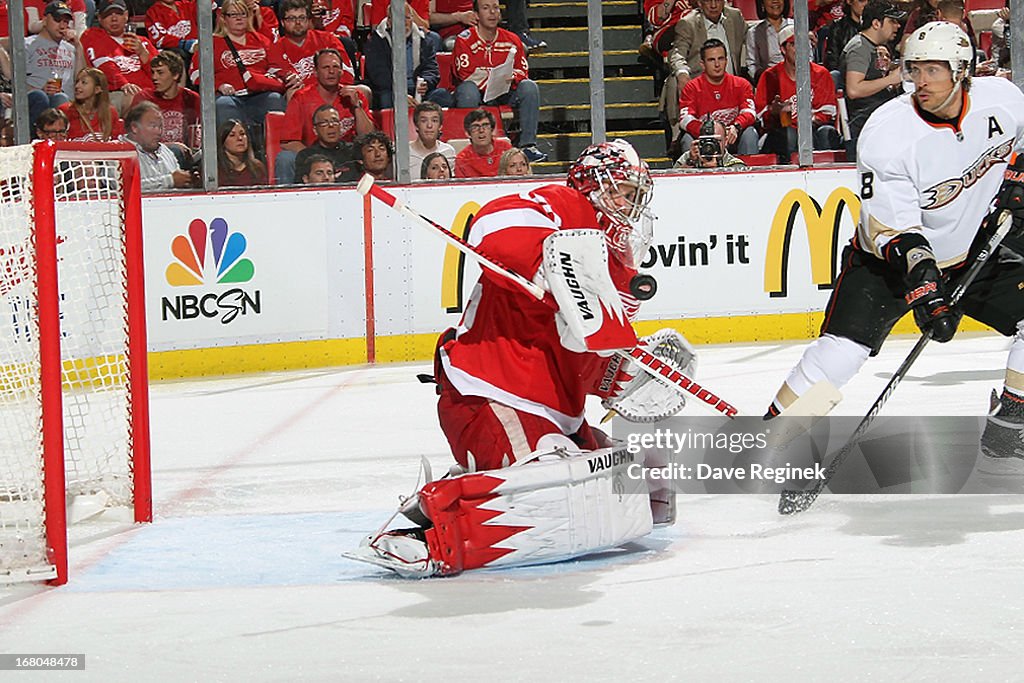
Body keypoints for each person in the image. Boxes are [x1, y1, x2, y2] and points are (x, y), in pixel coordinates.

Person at [350, 140, 691, 578]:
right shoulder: (568, 208)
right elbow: (492, 224)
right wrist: (544, 267)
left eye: (636, 196)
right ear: (593, 187)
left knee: (641, 488)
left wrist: (625, 375)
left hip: (556, 414)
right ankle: (426, 536)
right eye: (624, 192)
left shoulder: (619, 273)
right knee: (555, 493)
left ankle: (469, 481)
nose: (631, 206)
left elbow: (585, 358)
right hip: (492, 393)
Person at [762, 23, 1024, 472]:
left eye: (934, 70)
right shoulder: (888, 132)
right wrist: (924, 287)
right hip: (888, 262)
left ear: (963, 71)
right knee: (843, 350)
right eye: (914, 69)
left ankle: (1009, 425)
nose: (920, 81)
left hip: (971, 251)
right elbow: (893, 229)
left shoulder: (1004, 100)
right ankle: (770, 440)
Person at [452, 0, 546, 163]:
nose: (492, 12)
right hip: (477, 94)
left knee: (529, 87)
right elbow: (465, 74)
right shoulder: (464, 40)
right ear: (476, 15)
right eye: (486, 8)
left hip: (505, 91)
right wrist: (493, 77)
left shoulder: (512, 39)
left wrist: (511, 78)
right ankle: (471, 146)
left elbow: (522, 70)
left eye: (495, 8)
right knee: (468, 90)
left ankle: (528, 146)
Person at [189, 0, 287, 150]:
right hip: (229, 97)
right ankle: (232, 159)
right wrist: (218, 85)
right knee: (224, 105)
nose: (239, 18)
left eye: (242, 13)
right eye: (233, 14)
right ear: (223, 18)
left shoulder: (261, 40)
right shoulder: (211, 43)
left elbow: (277, 67)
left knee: (275, 100)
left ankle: (276, 153)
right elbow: (196, 74)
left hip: (259, 94)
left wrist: (268, 79)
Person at [275, 48, 374, 184]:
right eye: (326, 67)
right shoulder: (301, 98)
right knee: (285, 158)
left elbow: (368, 138)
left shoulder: (354, 96)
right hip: (313, 155)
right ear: (315, 72)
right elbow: (289, 142)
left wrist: (357, 106)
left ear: (341, 71)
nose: (331, 71)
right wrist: (316, 158)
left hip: (347, 156)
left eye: (335, 67)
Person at [662, 0, 747, 147]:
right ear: (700, 3)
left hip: (730, 86)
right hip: (701, 88)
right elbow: (677, 54)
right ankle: (677, 134)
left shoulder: (735, 17)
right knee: (675, 79)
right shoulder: (688, 23)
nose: (713, 5)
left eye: (717, 0)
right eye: (708, 1)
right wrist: (682, 72)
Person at [755, 25, 841, 162]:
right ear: (783, 49)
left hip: (812, 130)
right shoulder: (770, 76)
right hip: (780, 133)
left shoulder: (821, 74)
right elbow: (760, 116)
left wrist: (805, 122)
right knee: (788, 134)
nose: (801, 49)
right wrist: (774, 112)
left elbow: (828, 112)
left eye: (804, 43)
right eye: (794, 44)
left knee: (826, 133)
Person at [840, 0, 904, 160]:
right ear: (876, 23)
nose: (897, 26)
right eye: (892, 21)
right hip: (865, 123)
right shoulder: (859, 48)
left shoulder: (874, 47)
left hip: (881, 119)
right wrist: (890, 79)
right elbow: (854, 89)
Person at [678, 39, 759, 157]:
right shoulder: (692, 87)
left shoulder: (742, 84)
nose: (717, 64)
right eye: (711, 60)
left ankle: (747, 173)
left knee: (750, 133)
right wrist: (709, 132)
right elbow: (685, 119)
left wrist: (736, 126)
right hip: (705, 139)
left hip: (733, 136)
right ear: (702, 64)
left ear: (726, 61)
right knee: (687, 139)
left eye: (720, 59)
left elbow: (750, 113)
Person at [363, 1, 452, 109]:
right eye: (399, 18)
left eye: (407, 18)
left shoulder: (424, 39)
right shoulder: (376, 41)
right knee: (386, 98)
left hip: (418, 91)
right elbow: (379, 76)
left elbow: (431, 69)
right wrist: (400, 94)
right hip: (391, 90)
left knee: (442, 95)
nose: (404, 22)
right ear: (389, 22)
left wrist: (425, 83)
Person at [81, 0, 158, 114]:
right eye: (108, 15)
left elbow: (161, 71)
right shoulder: (93, 36)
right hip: (116, 92)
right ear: (100, 19)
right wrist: (123, 84)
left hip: (149, 92)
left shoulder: (142, 42)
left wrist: (143, 53)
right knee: (133, 98)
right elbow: (104, 66)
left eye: (118, 13)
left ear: (126, 16)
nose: (114, 19)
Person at [131, 50, 200, 163]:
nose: (154, 77)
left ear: (175, 75)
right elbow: (136, 138)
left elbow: (198, 132)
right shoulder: (143, 98)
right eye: (153, 72)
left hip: (186, 155)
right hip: (152, 156)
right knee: (176, 151)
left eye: (160, 73)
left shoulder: (191, 98)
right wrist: (170, 146)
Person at [267, 0, 351, 88]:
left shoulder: (328, 39)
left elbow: (347, 72)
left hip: (334, 91)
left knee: (363, 90)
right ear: (282, 23)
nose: (298, 22)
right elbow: (281, 79)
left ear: (308, 20)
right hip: (302, 96)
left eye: (302, 17)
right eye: (291, 18)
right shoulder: (276, 48)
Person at [24, 2, 77, 128]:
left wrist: (78, 46)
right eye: (57, 20)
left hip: (66, 101)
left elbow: (81, 78)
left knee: (61, 98)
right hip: (35, 100)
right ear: (45, 19)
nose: (62, 25)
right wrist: (40, 89)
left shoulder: (71, 48)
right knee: (41, 96)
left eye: (66, 22)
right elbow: (17, 84)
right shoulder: (28, 45)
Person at [122, 100, 194, 191]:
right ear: (134, 127)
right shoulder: (118, 153)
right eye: (153, 126)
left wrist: (187, 180)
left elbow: (178, 180)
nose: (159, 132)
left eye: (160, 127)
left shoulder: (164, 150)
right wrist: (169, 181)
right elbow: (123, 188)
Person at [294, 104, 359, 183]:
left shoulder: (353, 151)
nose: (331, 126)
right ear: (315, 130)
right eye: (324, 123)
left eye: (335, 121)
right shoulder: (306, 155)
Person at [58, 67, 123, 141]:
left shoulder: (110, 112)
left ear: (97, 89)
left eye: (83, 82)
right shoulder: (65, 111)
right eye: (77, 82)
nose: (77, 86)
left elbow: (117, 144)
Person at [453, 107, 511, 177]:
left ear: (492, 130)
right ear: (468, 133)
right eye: (475, 127)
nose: (481, 130)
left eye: (485, 125)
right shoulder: (462, 159)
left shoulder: (505, 148)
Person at [745, 0, 793, 83]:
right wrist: (765, 81)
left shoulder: (797, 26)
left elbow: (809, 58)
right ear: (762, 3)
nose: (775, 1)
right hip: (770, 83)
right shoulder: (754, 33)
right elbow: (752, 65)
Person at [409, 101, 456, 180]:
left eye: (434, 121)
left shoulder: (448, 151)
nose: (429, 126)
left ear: (440, 126)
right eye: (424, 121)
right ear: (416, 125)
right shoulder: (403, 153)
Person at [674, 118, 746, 167]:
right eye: (707, 140)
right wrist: (690, 162)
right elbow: (673, 181)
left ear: (726, 141)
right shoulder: (687, 157)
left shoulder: (735, 165)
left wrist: (716, 170)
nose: (711, 146)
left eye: (716, 141)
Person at [217, 118, 268, 187]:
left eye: (242, 134)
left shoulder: (257, 168)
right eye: (232, 135)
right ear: (222, 142)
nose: (240, 138)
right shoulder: (216, 171)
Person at [823, 0, 868, 75]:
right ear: (849, 1)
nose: (866, 4)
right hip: (844, 74)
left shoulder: (873, 26)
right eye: (861, 0)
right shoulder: (838, 27)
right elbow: (832, 58)